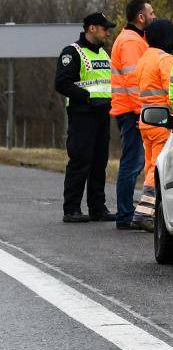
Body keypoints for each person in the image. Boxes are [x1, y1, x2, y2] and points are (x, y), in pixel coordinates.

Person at [55, 12, 114, 223]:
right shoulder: (73, 52)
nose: (108, 32)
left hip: (102, 114)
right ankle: (71, 209)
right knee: (81, 160)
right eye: (104, 28)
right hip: (82, 114)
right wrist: (87, 98)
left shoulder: (103, 54)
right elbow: (62, 83)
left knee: (100, 161)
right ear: (92, 28)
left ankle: (97, 208)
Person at [108, 0, 154, 230]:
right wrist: (142, 111)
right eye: (151, 13)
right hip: (132, 110)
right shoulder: (131, 42)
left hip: (129, 109)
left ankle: (126, 212)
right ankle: (125, 214)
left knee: (133, 162)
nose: (153, 17)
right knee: (131, 163)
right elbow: (133, 81)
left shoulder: (134, 39)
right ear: (140, 17)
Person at [131, 18, 173, 231]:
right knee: (156, 169)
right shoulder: (165, 59)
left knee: (150, 165)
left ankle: (149, 210)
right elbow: (172, 92)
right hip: (162, 121)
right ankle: (144, 213)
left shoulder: (144, 58)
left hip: (145, 119)